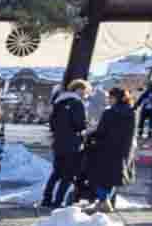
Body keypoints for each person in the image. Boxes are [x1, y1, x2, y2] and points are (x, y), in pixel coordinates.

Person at [83, 86, 138, 212]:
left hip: (105, 149)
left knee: (97, 176)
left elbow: (101, 131)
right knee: (112, 178)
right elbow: (131, 133)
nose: (109, 100)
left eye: (111, 97)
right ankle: (103, 202)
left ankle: (103, 202)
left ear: (116, 98)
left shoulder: (109, 112)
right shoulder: (131, 112)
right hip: (123, 150)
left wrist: (89, 134)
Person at [43, 79, 91, 208]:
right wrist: (86, 126)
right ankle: (58, 202)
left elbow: (52, 123)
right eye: (84, 91)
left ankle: (46, 199)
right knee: (69, 173)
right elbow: (79, 124)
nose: (85, 94)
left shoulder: (58, 102)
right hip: (72, 144)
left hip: (58, 142)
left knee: (56, 172)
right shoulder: (77, 103)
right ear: (78, 89)